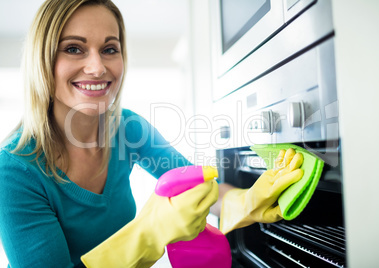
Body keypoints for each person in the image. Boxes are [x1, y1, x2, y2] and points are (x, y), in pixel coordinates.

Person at [0, 0, 304, 267]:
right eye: (74, 49)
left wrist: (247, 199)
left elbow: (193, 185)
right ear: (43, 59)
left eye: (109, 49)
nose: (97, 67)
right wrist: (149, 233)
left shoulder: (128, 128)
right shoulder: (14, 171)